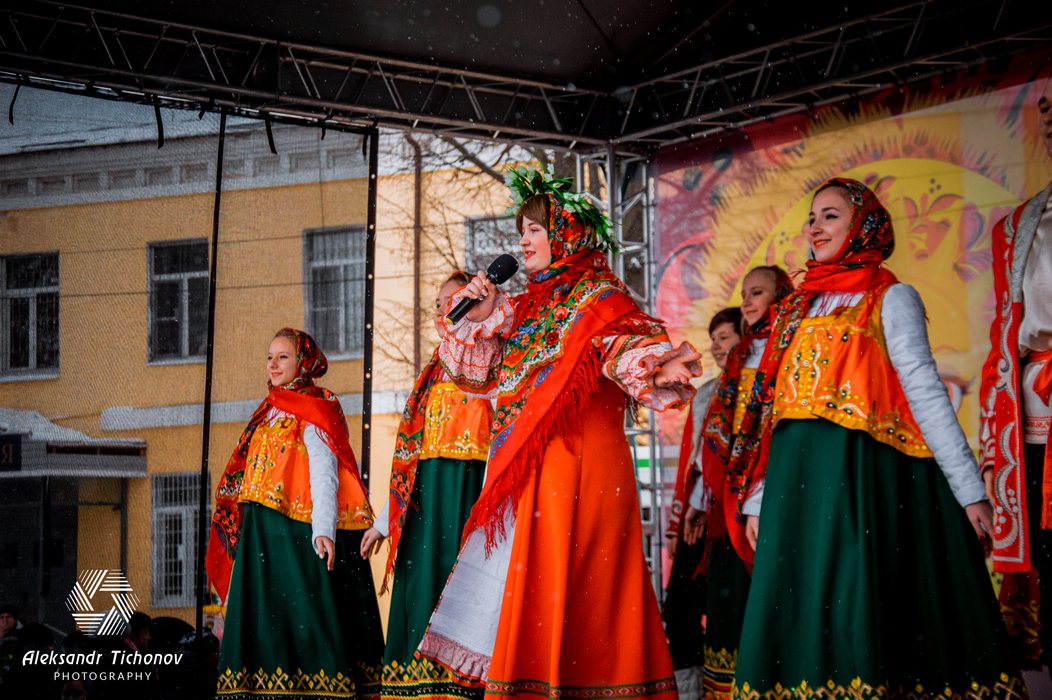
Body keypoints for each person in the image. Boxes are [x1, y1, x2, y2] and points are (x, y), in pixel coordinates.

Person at [730, 178, 1025, 698]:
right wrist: (758, 499)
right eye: (812, 217)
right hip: (796, 485)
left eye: (830, 216)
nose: (815, 227)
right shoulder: (795, 308)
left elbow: (924, 391)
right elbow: (770, 410)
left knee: (854, 603)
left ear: (863, 225)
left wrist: (969, 491)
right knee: (799, 608)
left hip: (859, 478)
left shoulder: (890, 297)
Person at [416, 167, 701, 700]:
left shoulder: (598, 297)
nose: (524, 241)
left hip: (582, 470)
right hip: (530, 473)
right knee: (534, 589)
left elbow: (624, 345)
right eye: (522, 231)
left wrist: (658, 367)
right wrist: (478, 316)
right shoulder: (526, 308)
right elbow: (478, 377)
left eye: (535, 230)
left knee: (583, 596)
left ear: (568, 234)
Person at [206, 328, 383, 700]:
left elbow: (324, 473)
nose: (273, 364)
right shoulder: (267, 411)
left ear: (303, 362)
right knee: (265, 622)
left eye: (283, 356)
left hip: (293, 535)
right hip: (261, 536)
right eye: (270, 357)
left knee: (302, 620)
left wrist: (324, 531)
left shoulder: (316, 407)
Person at [358, 271, 492, 700]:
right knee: (420, 592)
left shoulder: (492, 358)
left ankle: (464, 683)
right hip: (425, 506)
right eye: (438, 304)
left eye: (453, 301)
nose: (442, 310)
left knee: (460, 589)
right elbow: (408, 464)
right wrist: (383, 523)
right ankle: (420, 688)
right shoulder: (431, 374)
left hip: (467, 496)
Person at [685, 266, 792, 700]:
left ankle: (775, 682)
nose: (747, 302)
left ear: (781, 296)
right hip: (730, 499)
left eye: (758, 293)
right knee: (733, 603)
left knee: (775, 597)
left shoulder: (790, 348)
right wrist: (699, 501)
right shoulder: (739, 358)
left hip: (780, 494)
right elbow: (719, 442)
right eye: (744, 294)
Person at [980, 72, 1052, 673]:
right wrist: (989, 452)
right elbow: (1005, 336)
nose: (1049, 118)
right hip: (1031, 415)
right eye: (1045, 108)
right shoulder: (1021, 225)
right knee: (1045, 562)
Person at [664, 306, 743, 700]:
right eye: (713, 339)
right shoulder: (707, 394)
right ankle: (692, 693)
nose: (716, 346)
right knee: (679, 606)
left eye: (725, 337)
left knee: (735, 608)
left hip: (741, 514)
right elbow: (696, 461)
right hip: (704, 515)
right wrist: (689, 511)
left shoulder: (761, 385)